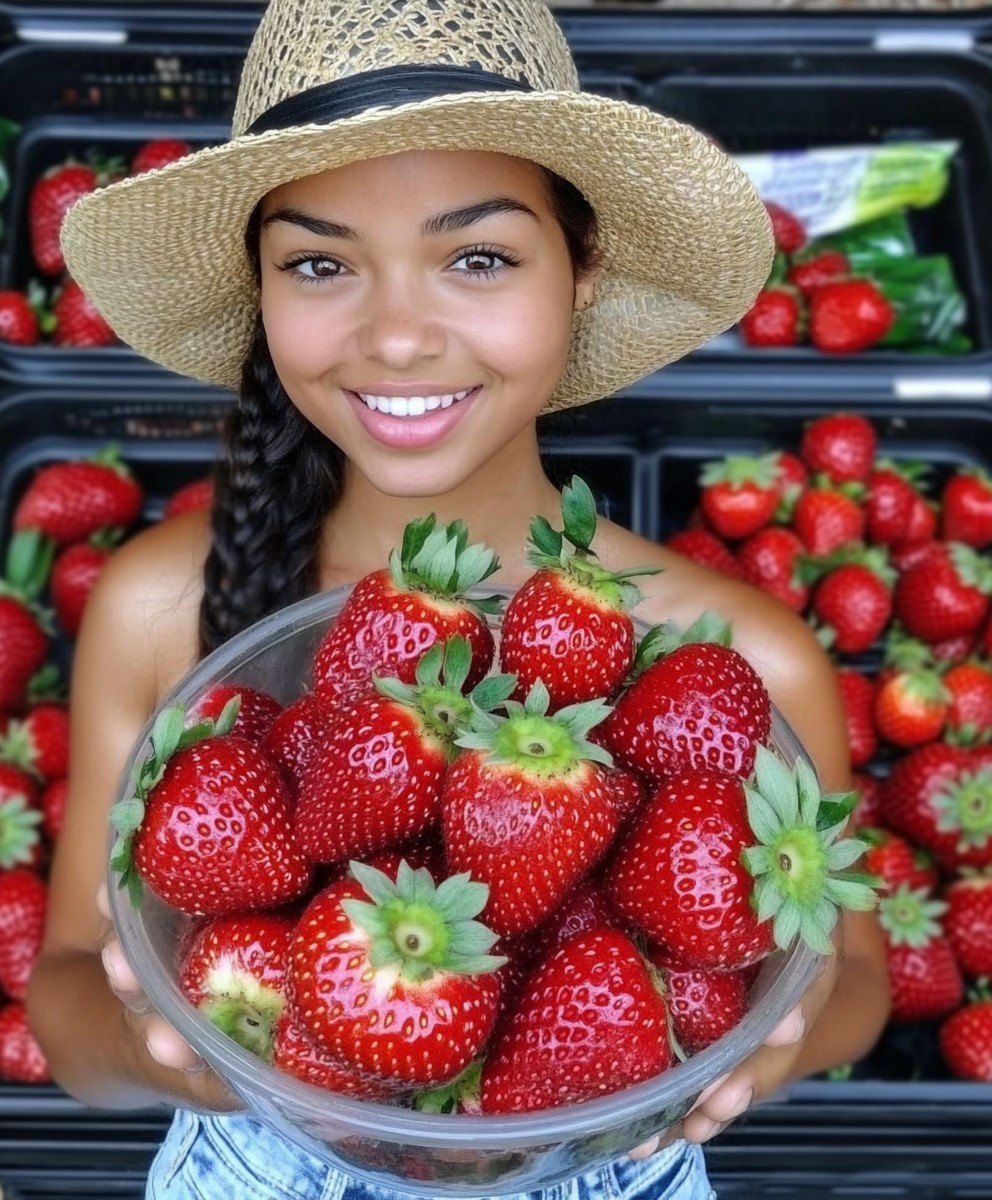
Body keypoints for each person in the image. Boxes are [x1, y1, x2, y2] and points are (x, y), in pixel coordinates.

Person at [26, 0, 890, 1197]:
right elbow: (68, 985)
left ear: (580, 270)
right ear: (258, 289)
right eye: (319, 263)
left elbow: (849, 973)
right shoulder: (161, 605)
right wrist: (173, 1052)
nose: (395, 335)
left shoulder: (734, 655)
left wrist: (772, 1047)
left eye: (476, 256)